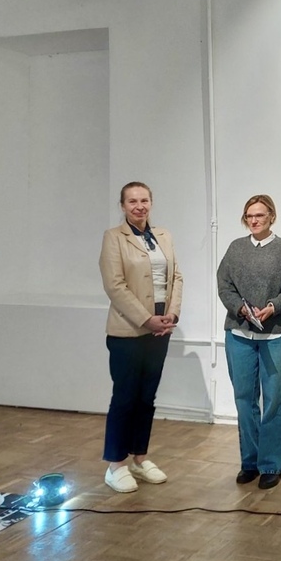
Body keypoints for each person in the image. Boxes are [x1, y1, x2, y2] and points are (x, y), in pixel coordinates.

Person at [98, 181, 183, 493]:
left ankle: (139, 458)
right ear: (122, 205)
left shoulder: (163, 236)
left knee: (147, 398)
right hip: (129, 331)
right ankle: (115, 464)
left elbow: (176, 277)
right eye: (132, 201)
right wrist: (146, 319)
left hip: (160, 329)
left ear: (151, 202)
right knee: (125, 397)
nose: (139, 206)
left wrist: (171, 315)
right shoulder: (113, 238)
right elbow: (114, 285)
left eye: (144, 200)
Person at [217, 195, 281, 489]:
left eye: (260, 215)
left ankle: (271, 464)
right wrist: (240, 309)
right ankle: (250, 462)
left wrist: (273, 306)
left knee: (274, 401)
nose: (254, 220)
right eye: (249, 216)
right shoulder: (235, 248)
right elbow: (224, 285)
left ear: (271, 217)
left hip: (276, 335)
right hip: (240, 335)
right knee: (244, 400)